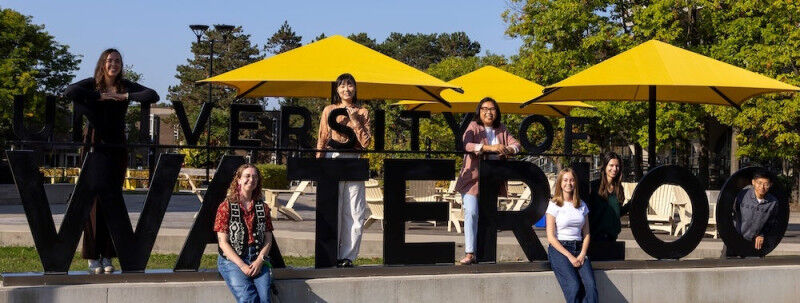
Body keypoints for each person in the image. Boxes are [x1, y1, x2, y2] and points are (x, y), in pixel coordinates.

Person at [64, 48, 159, 274]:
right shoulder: (92, 84)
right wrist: (100, 96)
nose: (113, 64)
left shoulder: (125, 85)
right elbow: (70, 91)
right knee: (92, 201)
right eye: (109, 60)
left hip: (117, 146)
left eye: (117, 61)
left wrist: (124, 96)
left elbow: (152, 95)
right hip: (94, 143)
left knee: (112, 200)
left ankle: (107, 255)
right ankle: (92, 257)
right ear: (102, 63)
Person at [454, 97, 520, 265]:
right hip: (472, 181)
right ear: (479, 111)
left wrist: (507, 149)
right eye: (485, 109)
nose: (488, 112)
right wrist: (490, 148)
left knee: (488, 218)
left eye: (492, 109)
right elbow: (467, 145)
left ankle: (485, 253)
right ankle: (470, 252)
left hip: (492, 181)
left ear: (496, 112)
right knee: (472, 212)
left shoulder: (501, 129)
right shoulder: (473, 127)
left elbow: (517, 145)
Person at [315, 73, 371, 267]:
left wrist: (355, 120)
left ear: (355, 88)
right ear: (337, 89)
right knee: (333, 208)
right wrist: (318, 164)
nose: (346, 89)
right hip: (333, 159)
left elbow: (365, 143)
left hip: (354, 161)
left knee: (355, 211)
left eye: (350, 85)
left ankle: (347, 256)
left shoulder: (363, 112)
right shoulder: (329, 110)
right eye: (342, 86)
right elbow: (322, 137)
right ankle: (331, 252)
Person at [214, 164, 275, 303]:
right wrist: (242, 265)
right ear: (239, 180)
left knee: (265, 299)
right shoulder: (226, 206)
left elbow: (268, 239)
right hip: (232, 261)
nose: (251, 179)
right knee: (248, 299)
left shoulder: (263, 207)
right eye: (247, 176)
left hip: (258, 258)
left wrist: (260, 260)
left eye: (255, 176)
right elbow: (223, 242)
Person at [546, 168, 597, 303]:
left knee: (591, 286)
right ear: (560, 183)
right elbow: (550, 237)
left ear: (575, 183)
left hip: (579, 248)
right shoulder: (554, 205)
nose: (569, 183)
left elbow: (586, 234)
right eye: (565, 180)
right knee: (573, 286)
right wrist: (569, 256)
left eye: (572, 180)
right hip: (559, 249)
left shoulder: (582, 205)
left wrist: (581, 254)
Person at [731, 170, 780, 254]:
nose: (762, 187)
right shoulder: (742, 195)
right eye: (759, 183)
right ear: (753, 182)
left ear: (770, 185)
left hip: (755, 242)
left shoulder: (773, 202)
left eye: (766, 184)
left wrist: (761, 234)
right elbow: (732, 212)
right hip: (735, 238)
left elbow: (771, 223)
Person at [588, 152, 628, 242]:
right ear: (605, 166)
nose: (614, 169)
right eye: (611, 165)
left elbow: (616, 212)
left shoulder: (619, 188)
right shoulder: (594, 186)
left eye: (617, 166)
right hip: (595, 238)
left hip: (612, 237)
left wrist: (631, 204)